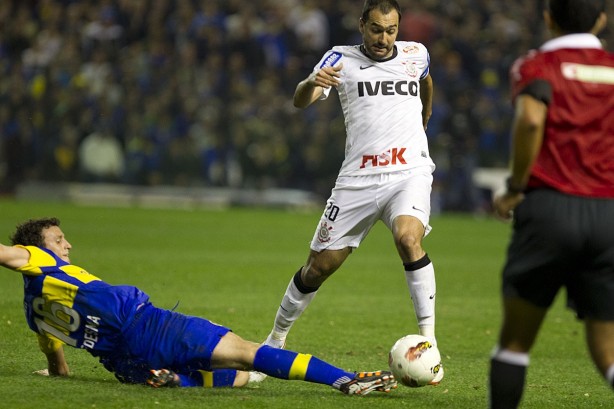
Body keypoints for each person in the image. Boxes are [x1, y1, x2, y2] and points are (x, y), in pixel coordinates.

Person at [256, 0, 442, 384]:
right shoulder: (339, 58)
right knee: (317, 268)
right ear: (362, 25)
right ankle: (275, 341)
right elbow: (299, 100)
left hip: (409, 172)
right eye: (376, 29)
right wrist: (311, 84)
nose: (383, 38)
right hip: (357, 181)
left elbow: (426, 80)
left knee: (408, 239)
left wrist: (425, 114)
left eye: (391, 30)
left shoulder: (415, 53)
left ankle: (429, 341)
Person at [0, 217, 397, 395]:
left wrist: (55, 373)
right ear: (34, 248)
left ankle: (178, 381)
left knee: (240, 379)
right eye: (58, 239)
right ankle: (345, 379)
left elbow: (57, 363)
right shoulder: (37, 259)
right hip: (150, 326)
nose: (67, 245)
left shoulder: (32, 311)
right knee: (248, 356)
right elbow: (8, 255)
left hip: (123, 364)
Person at [489, 1, 614, 407]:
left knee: (515, 343)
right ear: (601, 20)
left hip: (550, 209)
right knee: (608, 348)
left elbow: (529, 120)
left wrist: (514, 186)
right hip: (608, 213)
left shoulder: (537, 65)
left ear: (548, 19)